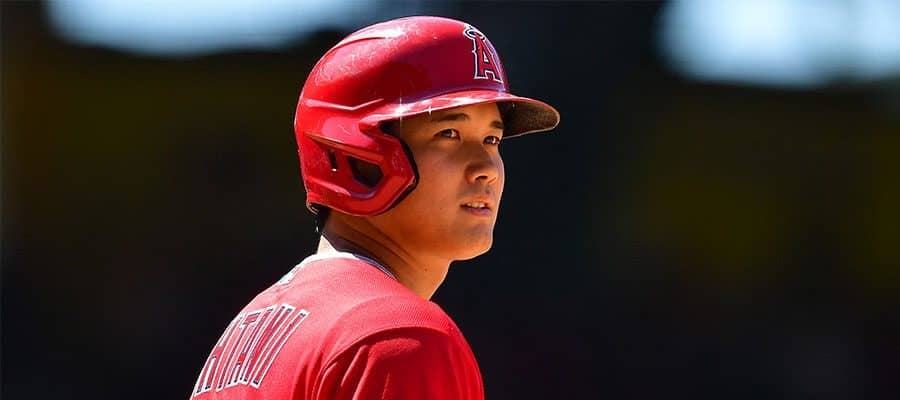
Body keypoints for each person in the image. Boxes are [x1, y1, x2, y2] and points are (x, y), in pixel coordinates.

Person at [189, 15, 559, 400]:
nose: (486, 168)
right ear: (358, 155)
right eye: (449, 133)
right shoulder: (401, 338)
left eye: (492, 139)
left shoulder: (243, 337)